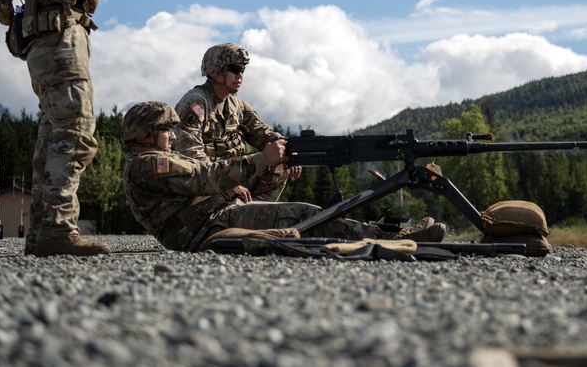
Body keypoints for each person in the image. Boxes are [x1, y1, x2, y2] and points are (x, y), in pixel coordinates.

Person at [122, 101, 446, 252]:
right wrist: (261, 159)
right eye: (166, 130)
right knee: (303, 214)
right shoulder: (149, 164)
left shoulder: (150, 160)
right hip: (205, 228)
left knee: (302, 217)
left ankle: (385, 234)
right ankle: (391, 240)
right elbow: (203, 176)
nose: (173, 137)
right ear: (146, 134)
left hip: (211, 219)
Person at [14, 0, 109, 257]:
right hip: (58, 41)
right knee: (74, 129)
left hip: (51, 40)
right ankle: (57, 228)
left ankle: (41, 231)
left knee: (54, 133)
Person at [172, 43, 299, 203]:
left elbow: (264, 135)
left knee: (279, 161)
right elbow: (189, 156)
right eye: (234, 69)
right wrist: (224, 184)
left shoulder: (238, 106)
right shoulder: (195, 104)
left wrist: (290, 151)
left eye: (243, 70)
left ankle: (253, 216)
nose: (240, 76)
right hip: (204, 186)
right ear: (215, 70)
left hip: (232, 178)